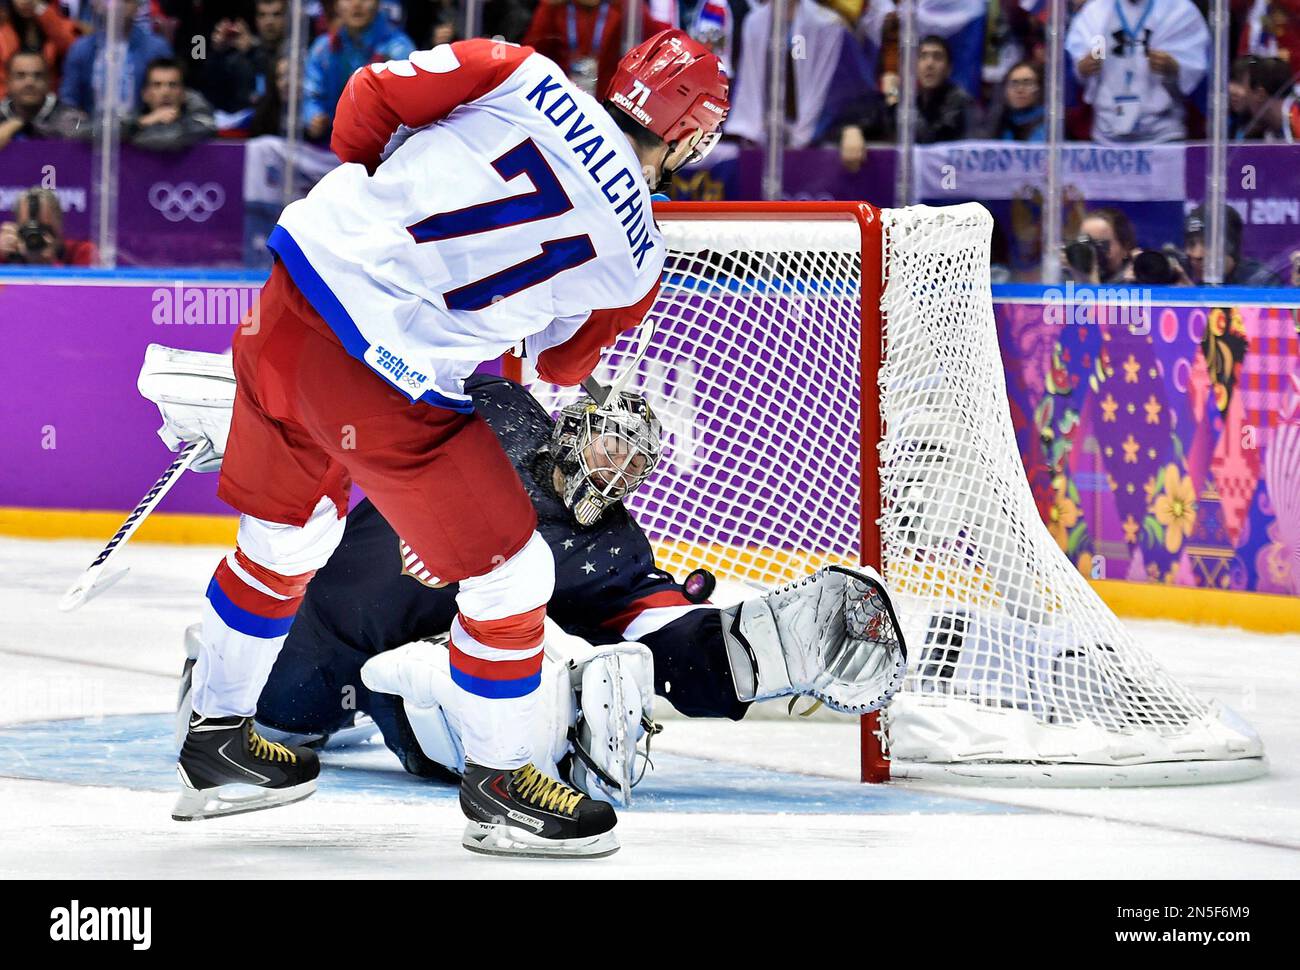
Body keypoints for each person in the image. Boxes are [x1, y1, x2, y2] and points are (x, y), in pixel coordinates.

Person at [168, 29, 730, 860]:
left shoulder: (520, 70)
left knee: (290, 535)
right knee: (514, 572)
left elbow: (367, 98)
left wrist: (379, 196)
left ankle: (214, 741)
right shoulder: (639, 257)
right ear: (690, 135)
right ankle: (503, 785)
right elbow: (559, 360)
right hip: (382, 375)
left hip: (289, 298)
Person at [160, 371, 908, 804]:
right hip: (325, 624)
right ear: (573, 428)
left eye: (634, 464)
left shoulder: (609, 545)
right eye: (610, 444)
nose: (617, 470)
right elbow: (377, 402)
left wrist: (756, 647)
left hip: (403, 669)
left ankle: (559, 734)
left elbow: (656, 623)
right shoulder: (500, 409)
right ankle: (216, 673)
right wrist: (266, 428)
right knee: (275, 719)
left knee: (444, 684)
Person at [1065, 0, 1210, 144]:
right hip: (1106, 131)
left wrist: (1175, 67)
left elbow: (1196, 67)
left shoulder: (1179, 9)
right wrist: (1082, 68)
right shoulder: (1095, 11)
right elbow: (1074, 64)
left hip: (1163, 133)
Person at [302, 0, 413, 143]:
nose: (357, 4)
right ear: (336, 5)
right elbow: (309, 94)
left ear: (379, 3)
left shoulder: (399, 48)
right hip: (328, 148)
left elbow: (406, 107)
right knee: (266, 148)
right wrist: (313, 116)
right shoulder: (323, 48)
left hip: (383, 149)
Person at [523, 0, 670, 101]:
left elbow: (659, 47)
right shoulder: (552, 8)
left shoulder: (628, 10)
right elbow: (533, 57)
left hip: (608, 103)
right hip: (560, 99)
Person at [59, 0, 170, 115]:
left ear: (138, 6)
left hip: (145, 128)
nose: (117, 5)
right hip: (90, 129)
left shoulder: (156, 48)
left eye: (125, 1)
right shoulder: (81, 49)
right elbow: (68, 101)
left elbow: (168, 98)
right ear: (95, 4)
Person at [198, 0, 287, 115]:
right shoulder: (238, 56)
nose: (269, 21)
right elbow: (210, 93)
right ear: (256, 19)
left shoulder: (295, 51)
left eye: (276, 14)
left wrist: (252, 52)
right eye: (262, 15)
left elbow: (274, 87)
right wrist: (217, 53)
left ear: (287, 18)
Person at [121, 56, 215, 150]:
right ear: (145, 94)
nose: (165, 92)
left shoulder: (198, 118)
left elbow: (169, 140)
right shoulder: (134, 116)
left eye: (173, 85)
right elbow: (112, 133)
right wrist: (143, 122)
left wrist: (135, 134)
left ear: (183, 94)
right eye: (157, 85)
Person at [0, 49, 87, 146]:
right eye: (20, 76)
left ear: (49, 81)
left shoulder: (72, 119)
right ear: (8, 81)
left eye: (38, 76)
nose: (30, 83)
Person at [1182, 205, 1283, 287]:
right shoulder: (1188, 281)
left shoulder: (1261, 283)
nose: (1197, 254)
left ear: (1230, 247)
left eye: (1208, 243)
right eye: (1191, 244)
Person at [0, 0, 78, 99]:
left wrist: (41, 10)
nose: (25, 1)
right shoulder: (4, 32)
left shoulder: (59, 25)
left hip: (52, 101)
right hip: (11, 103)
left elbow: (72, 49)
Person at [0, 185, 95, 264]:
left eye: (44, 228)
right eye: (28, 230)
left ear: (59, 223)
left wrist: (51, 262)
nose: (35, 236)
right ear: (17, 226)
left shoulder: (80, 253)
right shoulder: (8, 255)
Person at [1063, 207, 1139, 284]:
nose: (1092, 252)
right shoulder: (1071, 275)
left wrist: (1090, 280)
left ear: (1125, 248)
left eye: (1101, 245)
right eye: (1085, 243)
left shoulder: (1134, 281)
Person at [980, 60, 1045, 142]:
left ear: (1039, 88)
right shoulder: (998, 121)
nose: (1020, 89)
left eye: (1027, 83)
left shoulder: (1050, 123)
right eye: (1014, 83)